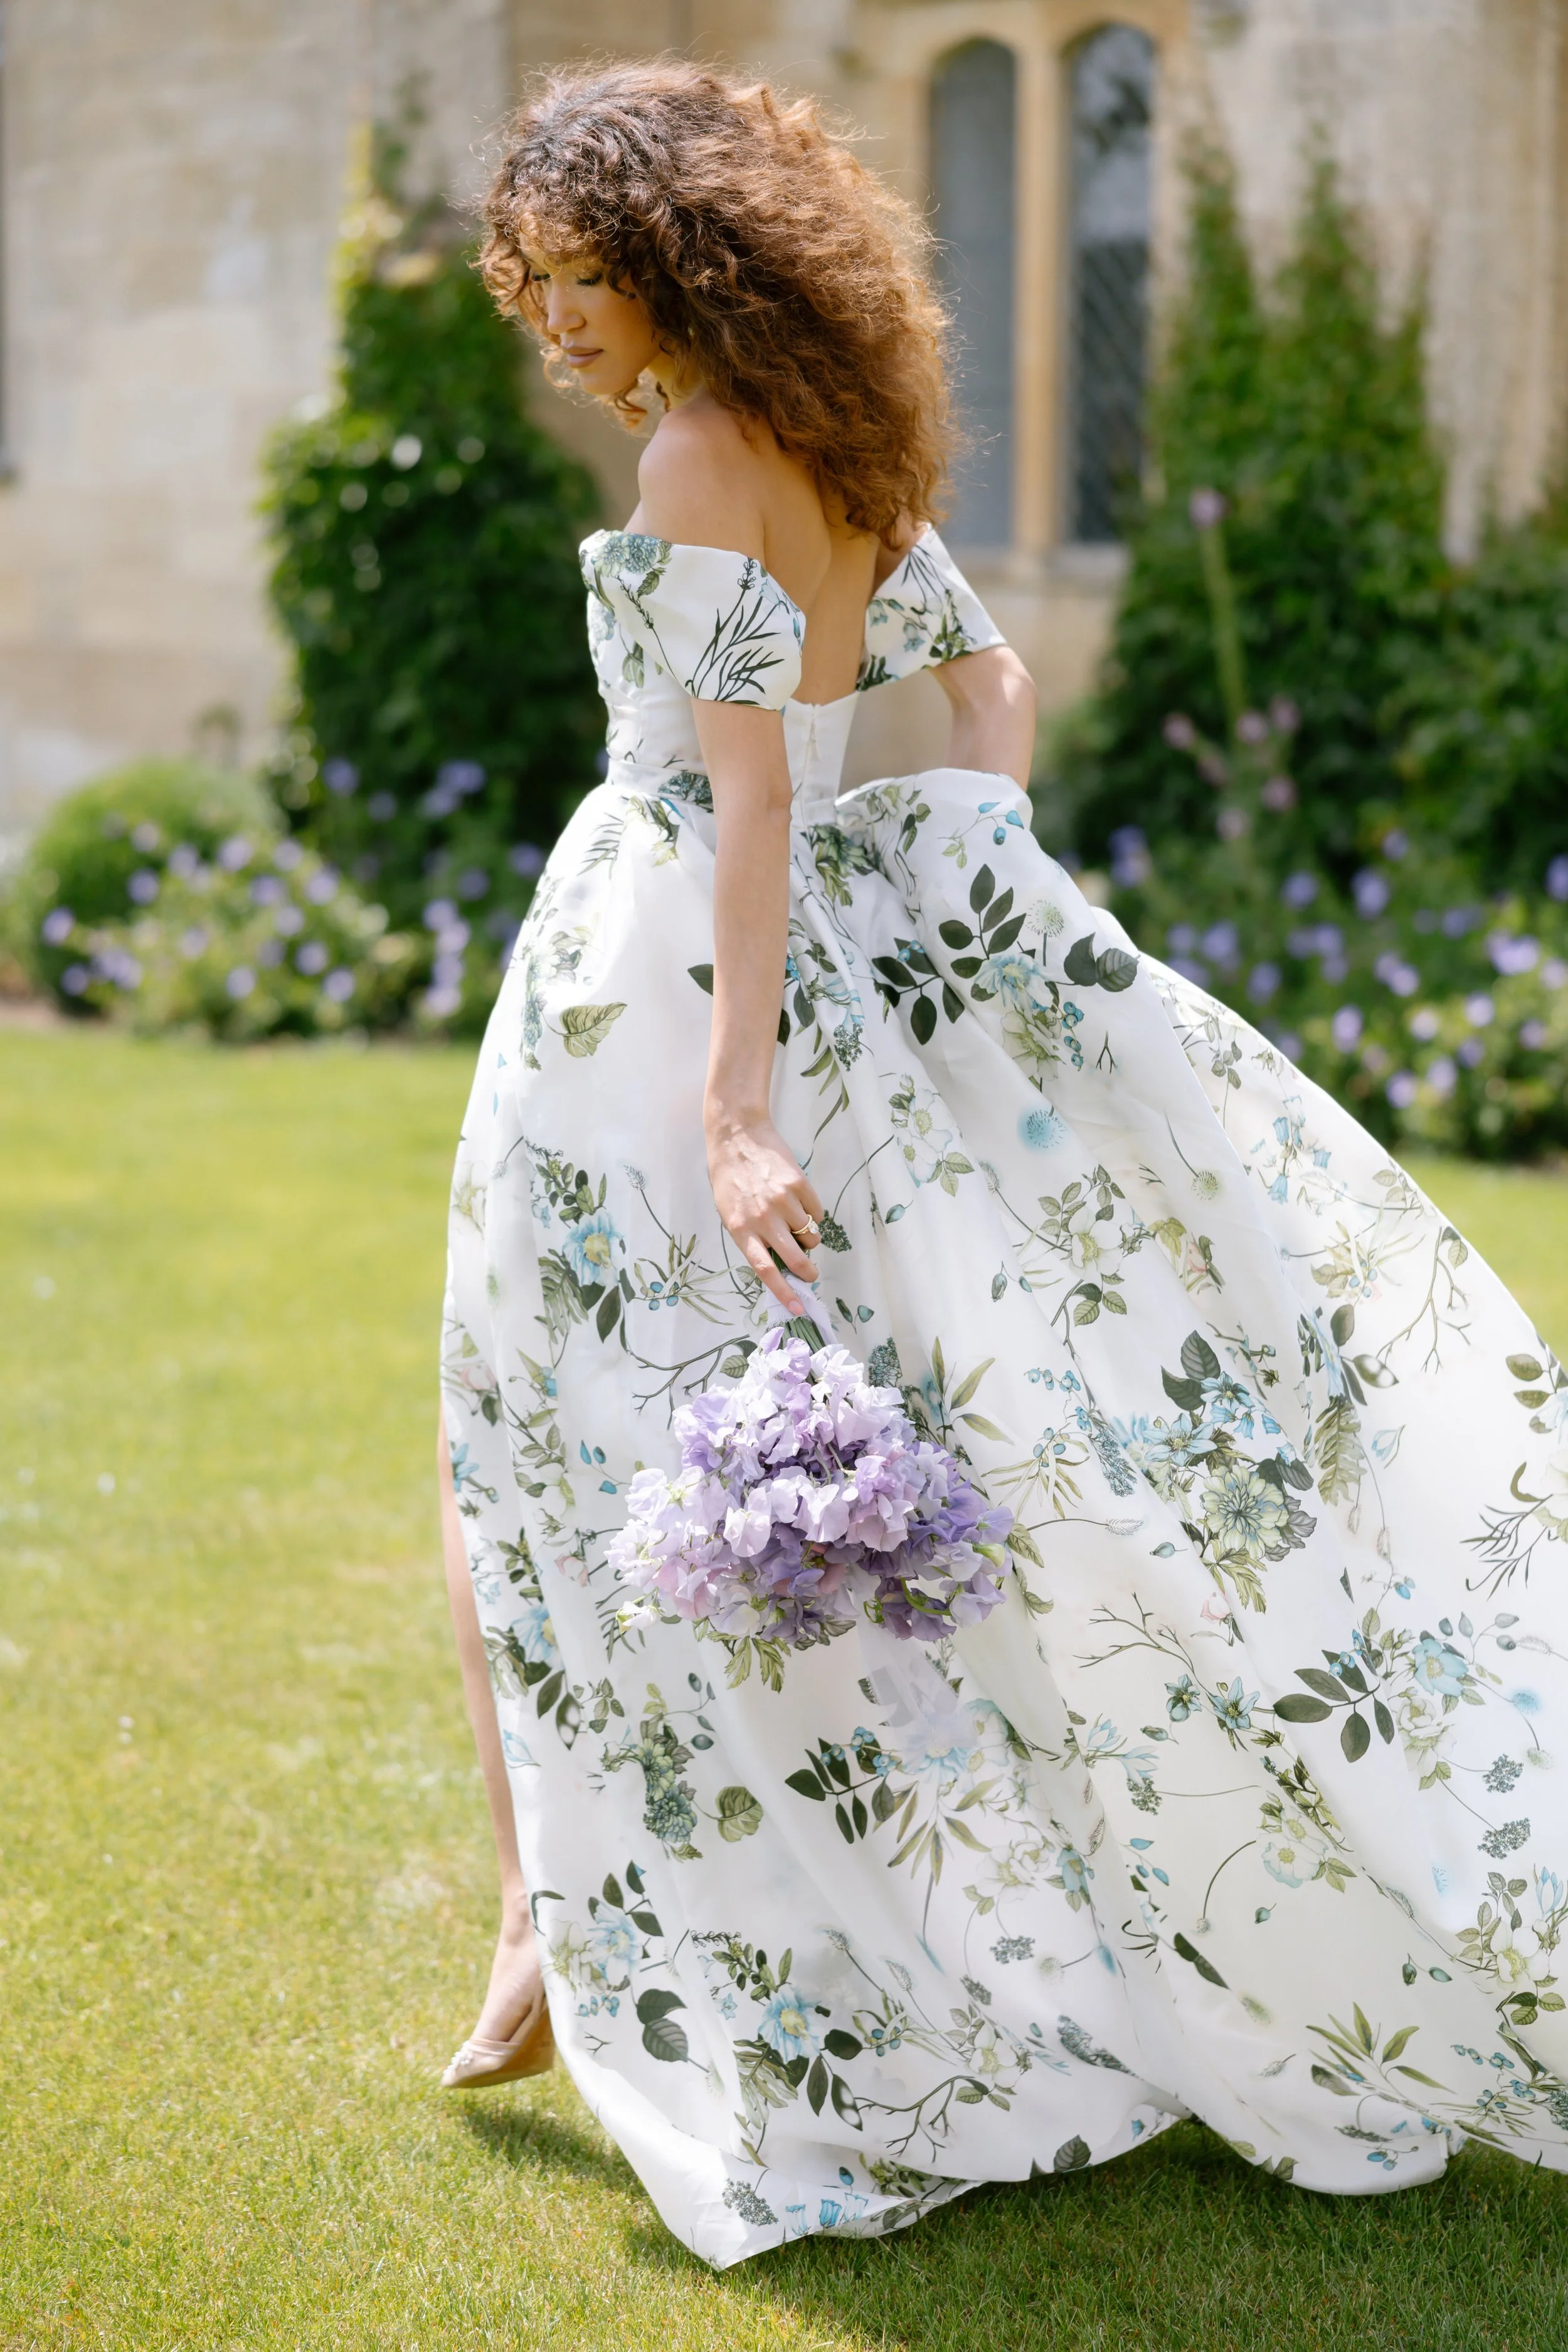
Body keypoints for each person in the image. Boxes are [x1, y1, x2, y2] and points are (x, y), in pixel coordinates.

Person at [437, 60, 1568, 2269]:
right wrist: (963, 898)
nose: (549, 320)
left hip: (661, 990)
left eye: (576, 279)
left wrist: (736, 1098)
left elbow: (746, 799)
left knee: (533, 1455)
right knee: (728, 1468)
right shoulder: (842, 443)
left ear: (673, 260)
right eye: (529, 282)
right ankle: (582, 1929)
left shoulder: (691, 456)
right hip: (810, 962)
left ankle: (565, 1939)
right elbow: (992, 699)